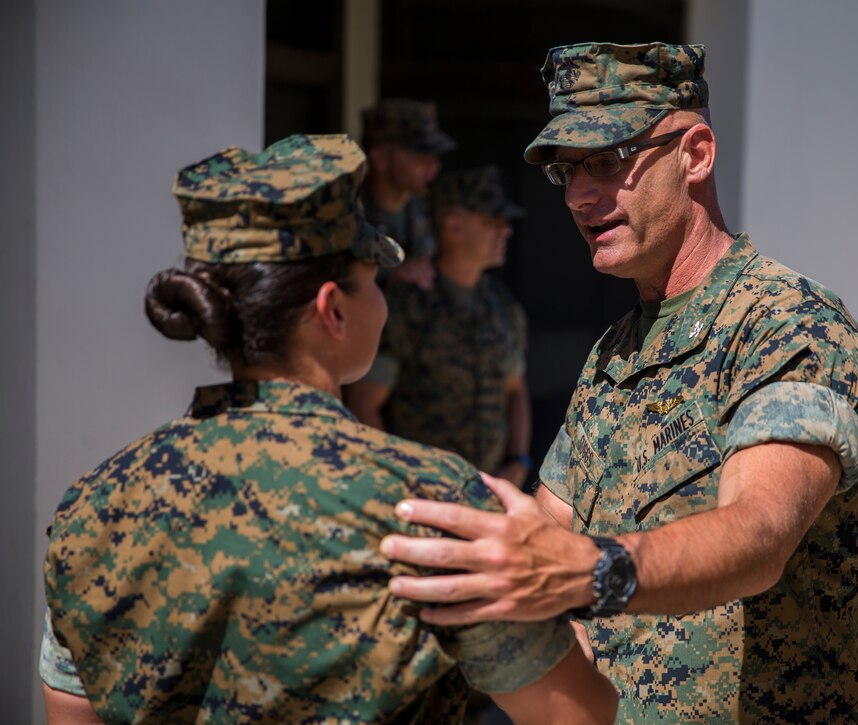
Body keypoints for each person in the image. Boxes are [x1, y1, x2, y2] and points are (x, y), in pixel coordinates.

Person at [378, 42, 858, 721]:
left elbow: (760, 532)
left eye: (608, 161)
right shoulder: (616, 351)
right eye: (567, 172)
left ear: (695, 154)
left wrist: (583, 572)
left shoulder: (788, 327)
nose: (581, 196)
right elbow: (548, 523)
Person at [38, 134, 616, 724]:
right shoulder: (431, 509)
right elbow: (581, 717)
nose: (385, 303)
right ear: (332, 310)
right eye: (373, 281)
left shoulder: (94, 506)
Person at [346, 166, 534, 488]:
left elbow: (515, 389)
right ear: (454, 226)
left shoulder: (502, 305)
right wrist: (399, 485)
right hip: (424, 498)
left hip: (488, 493)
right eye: (492, 221)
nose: (506, 230)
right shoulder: (409, 304)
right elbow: (365, 403)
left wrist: (518, 461)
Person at [358, 98, 455, 290]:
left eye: (434, 155)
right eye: (420, 155)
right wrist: (390, 276)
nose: (433, 165)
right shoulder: (347, 214)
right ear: (381, 159)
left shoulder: (430, 209)